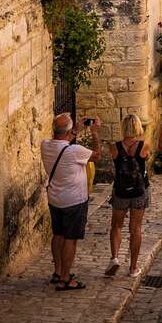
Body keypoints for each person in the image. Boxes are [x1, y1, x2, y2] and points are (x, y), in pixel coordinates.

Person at [42, 113, 102, 290]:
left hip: (55, 198)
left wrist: (75, 129)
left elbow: (62, 140)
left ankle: (58, 271)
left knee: (58, 234)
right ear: (68, 131)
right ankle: (66, 278)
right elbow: (97, 156)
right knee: (70, 239)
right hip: (74, 201)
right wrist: (95, 133)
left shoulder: (45, 145)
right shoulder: (75, 151)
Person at [106, 114, 149, 278]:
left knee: (116, 226)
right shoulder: (144, 145)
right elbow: (146, 159)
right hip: (139, 191)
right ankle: (133, 268)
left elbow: (114, 163)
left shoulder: (114, 147)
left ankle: (115, 257)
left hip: (121, 191)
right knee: (135, 228)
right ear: (138, 127)